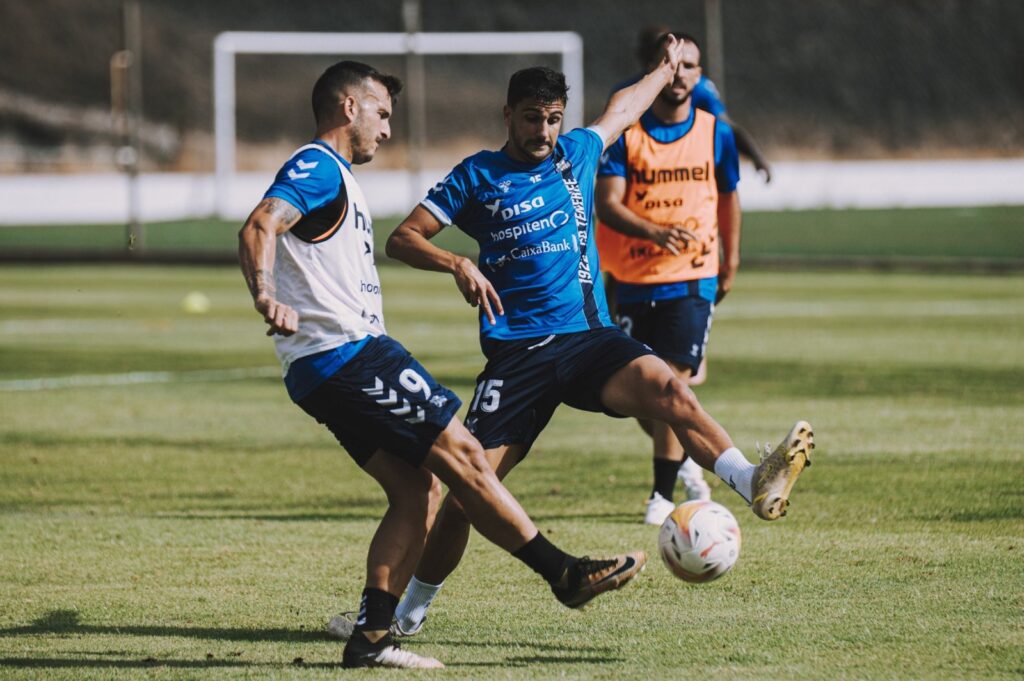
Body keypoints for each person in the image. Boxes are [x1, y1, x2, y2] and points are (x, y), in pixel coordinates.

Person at [332, 34, 814, 641]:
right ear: (508, 115)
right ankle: (406, 614)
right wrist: (458, 262)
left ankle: (751, 480)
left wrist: (664, 69)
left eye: (554, 119)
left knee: (670, 387)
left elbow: (624, 109)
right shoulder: (477, 175)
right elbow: (403, 238)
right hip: (519, 355)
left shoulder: (578, 152)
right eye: (532, 119)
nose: (544, 131)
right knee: (462, 493)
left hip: (589, 338)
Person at [237, 60, 648, 670]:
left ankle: (372, 638)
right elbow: (260, 224)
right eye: (381, 113)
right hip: (347, 354)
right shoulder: (317, 166)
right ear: (350, 107)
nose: (386, 129)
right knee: (462, 457)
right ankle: (563, 573)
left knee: (416, 490)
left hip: (322, 368)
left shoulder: (339, 175)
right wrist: (266, 292)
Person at [596, 32, 741, 524]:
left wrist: (731, 258)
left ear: (701, 76)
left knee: (672, 383)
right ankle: (688, 463)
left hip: (693, 277)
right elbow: (607, 205)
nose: (680, 76)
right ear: (655, 69)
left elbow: (728, 198)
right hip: (633, 279)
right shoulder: (627, 133)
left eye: (691, 67)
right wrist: (655, 233)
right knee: (646, 400)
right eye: (672, 65)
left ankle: (660, 495)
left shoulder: (714, 132)